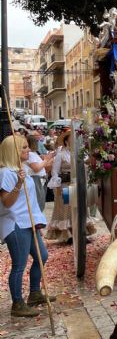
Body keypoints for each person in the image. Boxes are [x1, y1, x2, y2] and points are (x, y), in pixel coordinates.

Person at [0, 134, 56, 317]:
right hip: (15, 224)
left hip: (29, 221)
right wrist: (18, 183)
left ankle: (34, 293)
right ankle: (17, 303)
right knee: (19, 264)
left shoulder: (21, 168)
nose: (28, 150)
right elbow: (7, 202)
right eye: (24, 148)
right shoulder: (6, 173)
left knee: (42, 256)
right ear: (14, 151)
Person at [25, 135, 53, 212]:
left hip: (41, 179)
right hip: (36, 179)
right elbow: (36, 168)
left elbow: (42, 166)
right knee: (38, 202)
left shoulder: (34, 153)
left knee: (41, 201)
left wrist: (48, 160)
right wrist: (46, 160)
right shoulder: (30, 154)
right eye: (36, 141)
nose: (38, 143)